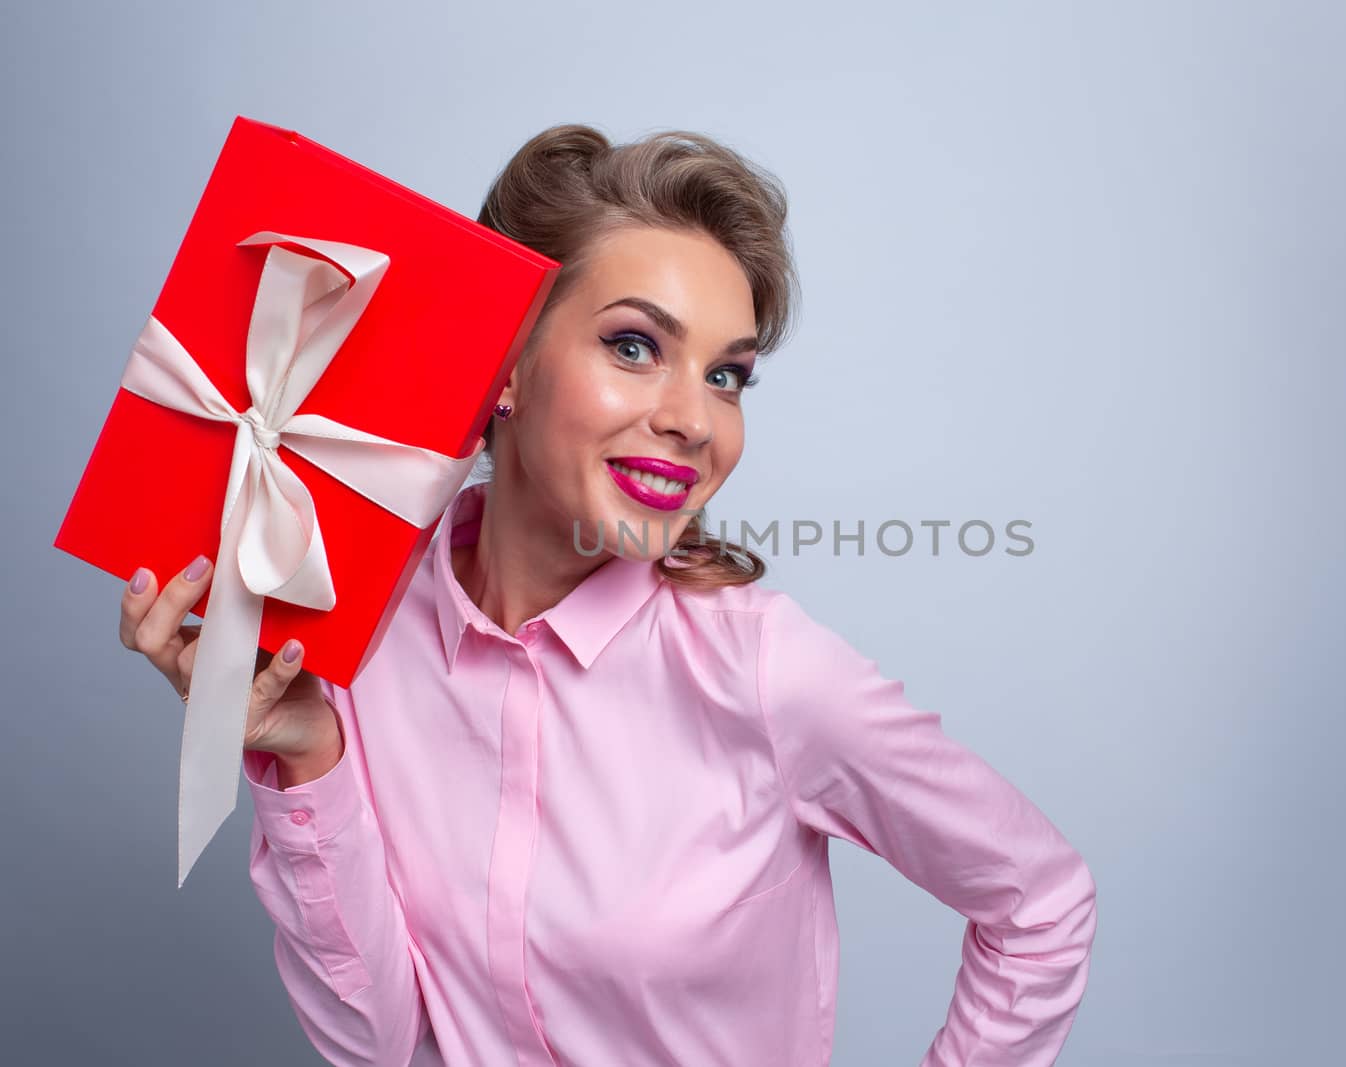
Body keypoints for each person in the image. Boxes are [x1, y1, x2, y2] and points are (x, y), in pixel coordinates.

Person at [117, 124, 1098, 1066]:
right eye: (634, 346)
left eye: (727, 374)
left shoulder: (766, 672)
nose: (693, 419)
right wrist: (306, 753)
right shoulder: (361, 610)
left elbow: (1040, 902)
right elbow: (373, 1041)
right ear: (504, 368)